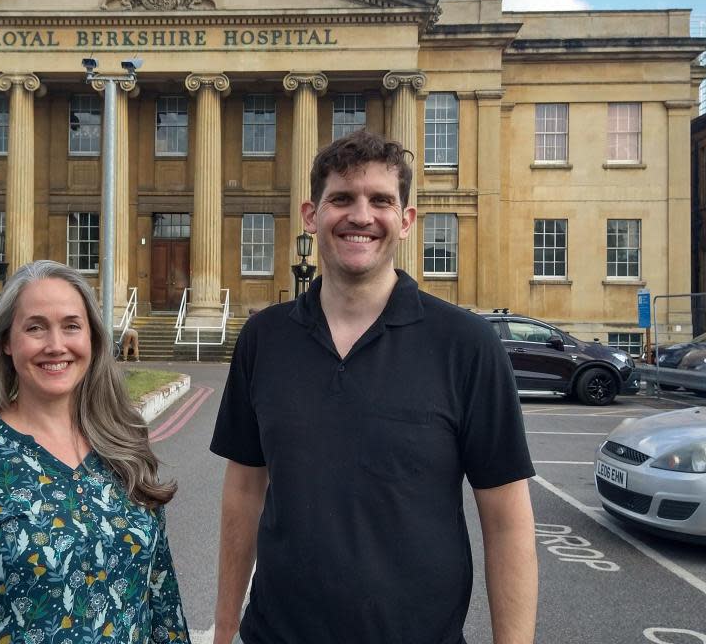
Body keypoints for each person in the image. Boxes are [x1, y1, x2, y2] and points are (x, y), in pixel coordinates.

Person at [210, 130, 537, 644]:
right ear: (311, 216)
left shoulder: (466, 344)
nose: (360, 216)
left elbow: (506, 521)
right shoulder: (264, 339)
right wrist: (225, 630)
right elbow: (244, 493)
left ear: (405, 221)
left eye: (380, 200)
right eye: (341, 198)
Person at [0, 260, 190, 643]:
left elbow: (162, 601)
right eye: (35, 327)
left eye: (71, 325)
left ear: (92, 339)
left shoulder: (124, 446)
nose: (56, 345)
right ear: (7, 341)